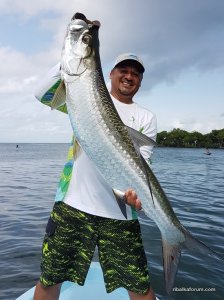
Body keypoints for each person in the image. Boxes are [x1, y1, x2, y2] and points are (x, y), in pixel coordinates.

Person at [34, 52, 157, 300]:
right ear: (110, 74)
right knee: (50, 278)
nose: (129, 76)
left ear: (140, 82)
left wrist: (137, 196)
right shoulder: (83, 98)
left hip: (120, 214)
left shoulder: (146, 118)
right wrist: (71, 58)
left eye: (136, 73)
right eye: (124, 70)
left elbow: (143, 164)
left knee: (139, 285)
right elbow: (43, 94)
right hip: (73, 205)